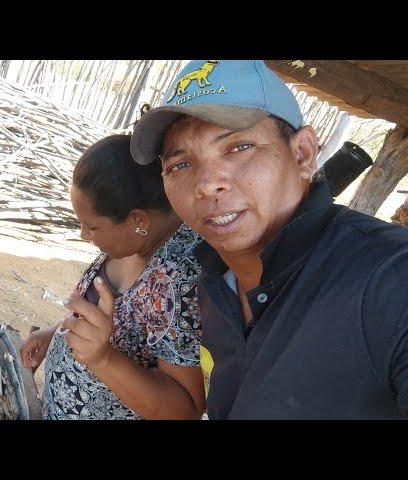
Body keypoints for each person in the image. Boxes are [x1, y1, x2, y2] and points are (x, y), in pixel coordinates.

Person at [130, 60, 408, 419]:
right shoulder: (213, 285)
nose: (206, 183)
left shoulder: (390, 279)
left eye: (239, 147)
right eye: (180, 165)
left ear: (303, 154)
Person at [20, 134, 206, 419]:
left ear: (138, 221)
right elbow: (107, 318)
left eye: (91, 227)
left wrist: (103, 359)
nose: (84, 235)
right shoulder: (131, 242)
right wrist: (56, 333)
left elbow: (186, 410)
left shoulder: (178, 280)